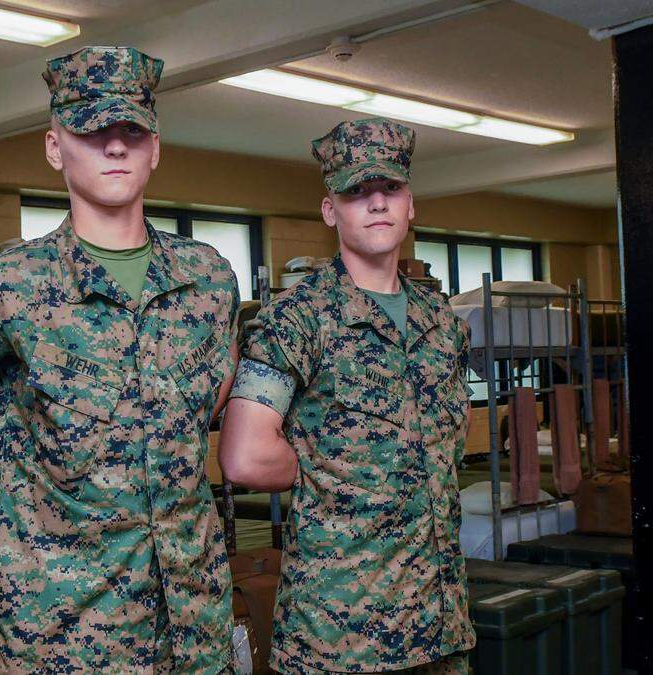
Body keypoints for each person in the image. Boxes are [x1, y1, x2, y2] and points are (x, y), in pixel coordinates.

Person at [0, 46, 240, 672]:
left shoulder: (208, 278)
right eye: (91, 131)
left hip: (194, 613)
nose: (115, 147)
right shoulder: (7, 285)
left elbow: (215, 395)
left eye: (131, 131)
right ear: (54, 147)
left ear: (155, 148)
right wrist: (18, 450)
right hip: (67, 624)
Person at [219, 117, 476, 674]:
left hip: (441, 624)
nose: (377, 204)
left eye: (390, 189)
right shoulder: (299, 318)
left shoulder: (443, 324)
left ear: (411, 205)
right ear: (330, 211)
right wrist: (332, 474)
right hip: (342, 631)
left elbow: (452, 434)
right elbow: (246, 454)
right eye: (357, 192)